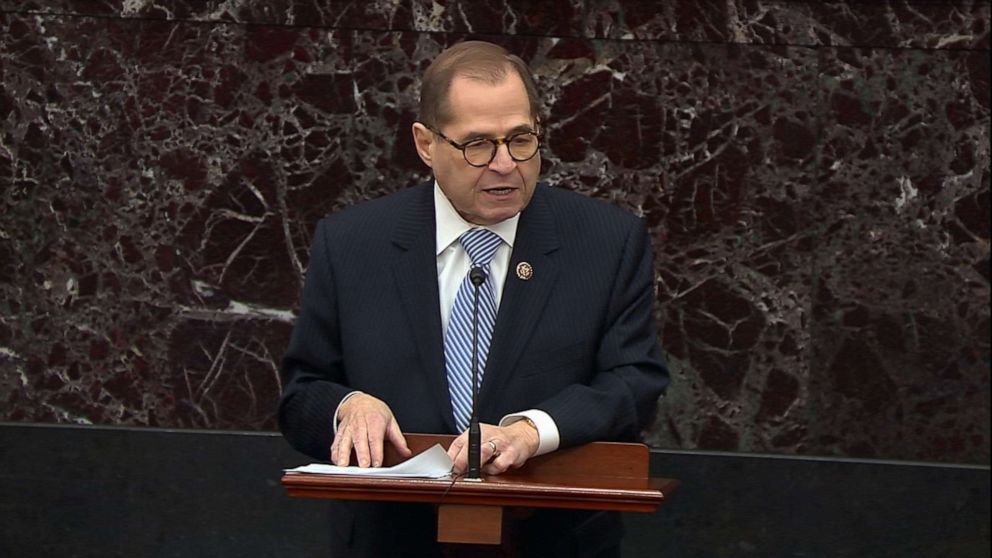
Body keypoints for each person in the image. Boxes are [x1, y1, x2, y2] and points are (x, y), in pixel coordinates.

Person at [279, 40, 669, 557]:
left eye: (521, 139)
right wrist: (347, 407)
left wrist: (533, 431)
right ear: (425, 143)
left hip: (553, 541)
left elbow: (634, 381)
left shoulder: (605, 242)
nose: (505, 164)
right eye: (478, 144)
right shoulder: (353, 245)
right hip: (390, 540)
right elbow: (303, 390)